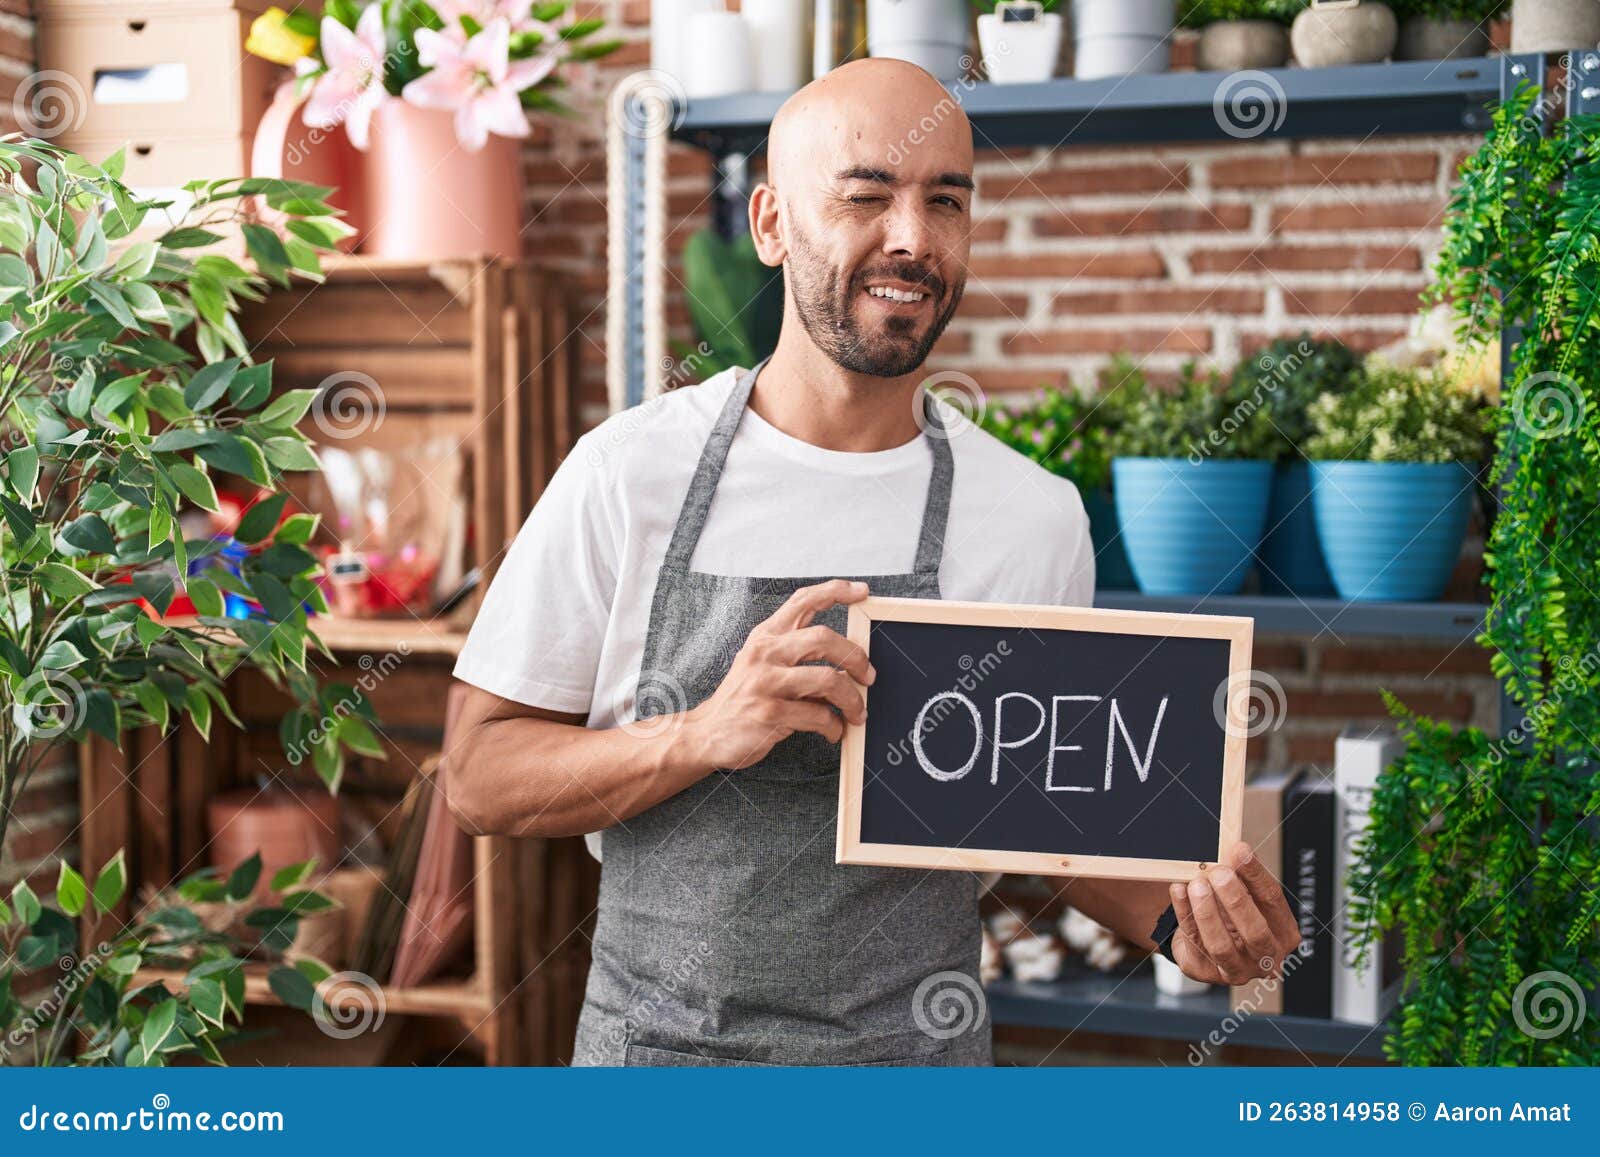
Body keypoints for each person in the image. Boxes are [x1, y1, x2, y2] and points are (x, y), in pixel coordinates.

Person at [448, 57, 1299, 1066]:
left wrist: (1183, 918)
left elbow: (1043, 829)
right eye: (866, 196)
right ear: (770, 225)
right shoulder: (630, 471)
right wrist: (703, 732)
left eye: (946, 200)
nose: (912, 236)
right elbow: (478, 773)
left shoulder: (1030, 517)